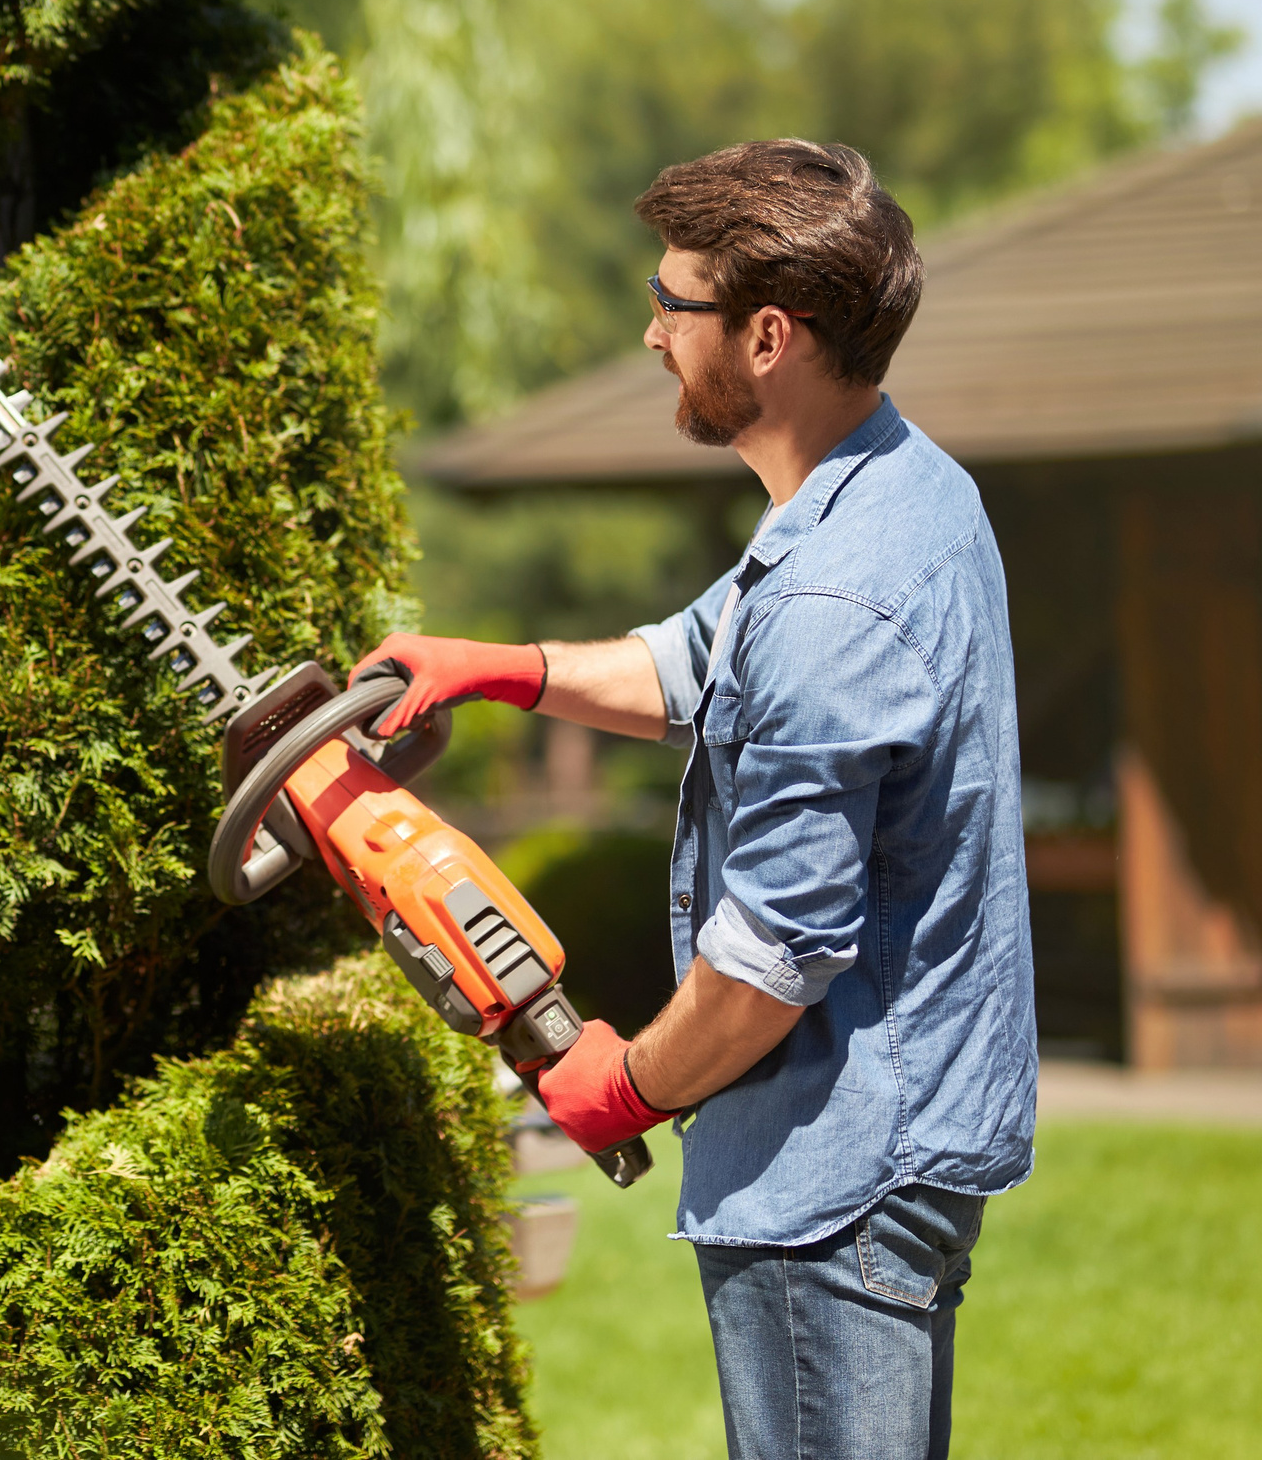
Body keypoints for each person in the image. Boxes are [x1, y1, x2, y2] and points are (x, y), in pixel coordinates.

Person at [354, 140, 1034, 1460]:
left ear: (768, 336)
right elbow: (692, 662)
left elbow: (774, 959)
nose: (654, 334)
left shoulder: (834, 597)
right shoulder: (897, 494)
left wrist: (626, 1086)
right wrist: (499, 670)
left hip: (830, 1178)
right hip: (907, 1141)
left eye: (674, 305)